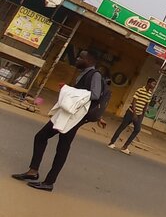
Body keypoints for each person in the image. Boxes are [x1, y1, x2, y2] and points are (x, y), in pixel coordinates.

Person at [11, 49, 103, 192]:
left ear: (89, 60)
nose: (77, 59)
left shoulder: (95, 75)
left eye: (81, 57)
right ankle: (33, 172)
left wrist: (70, 91)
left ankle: (48, 182)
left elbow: (95, 95)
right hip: (66, 114)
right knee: (43, 137)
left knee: (61, 147)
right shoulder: (83, 73)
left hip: (74, 118)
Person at [108, 78, 156, 155]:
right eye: (153, 84)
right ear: (149, 83)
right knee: (122, 127)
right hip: (130, 113)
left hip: (139, 114)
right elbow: (134, 102)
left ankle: (125, 147)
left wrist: (141, 117)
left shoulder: (149, 94)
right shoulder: (140, 90)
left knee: (137, 129)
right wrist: (134, 114)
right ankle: (112, 142)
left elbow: (145, 106)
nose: (154, 86)